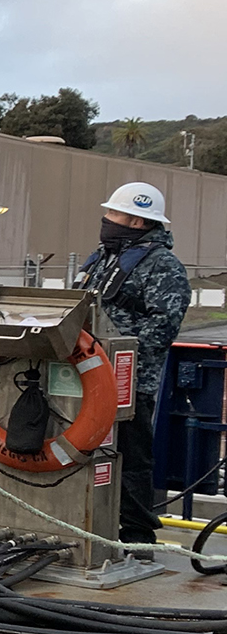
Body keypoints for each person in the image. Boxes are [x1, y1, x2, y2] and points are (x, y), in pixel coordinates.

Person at [74, 182, 190, 555]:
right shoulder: (101, 258)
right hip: (80, 377)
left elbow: (163, 327)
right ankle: (79, 521)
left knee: (132, 456)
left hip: (129, 381)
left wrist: (109, 342)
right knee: (77, 448)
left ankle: (137, 534)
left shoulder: (163, 267)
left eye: (113, 214)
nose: (106, 221)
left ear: (137, 221)